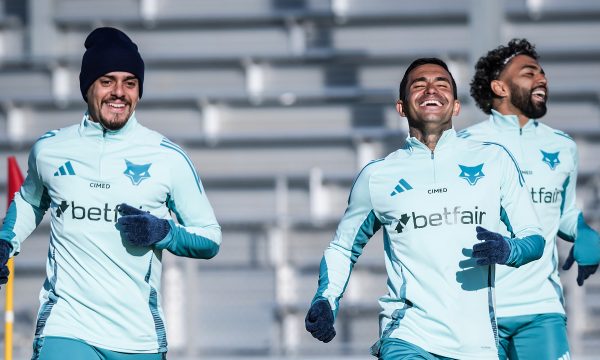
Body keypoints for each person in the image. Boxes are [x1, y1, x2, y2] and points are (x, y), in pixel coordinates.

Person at [0, 27, 222, 359]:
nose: (119, 92)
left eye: (129, 83)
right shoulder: (50, 149)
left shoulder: (168, 157)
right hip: (67, 328)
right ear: (87, 86)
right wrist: (5, 241)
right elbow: (31, 201)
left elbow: (211, 238)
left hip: (138, 339)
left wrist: (164, 232)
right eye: (107, 81)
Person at [304, 57, 545, 360]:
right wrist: (325, 299)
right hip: (407, 338)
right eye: (419, 85)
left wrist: (509, 250)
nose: (431, 90)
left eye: (441, 84)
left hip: (478, 346)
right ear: (401, 107)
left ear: (456, 106)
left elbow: (534, 239)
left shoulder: (495, 161)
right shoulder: (377, 176)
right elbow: (343, 248)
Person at [459, 38, 600, 360]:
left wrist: (582, 230)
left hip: (542, 307)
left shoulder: (563, 146)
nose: (542, 79)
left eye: (543, 73)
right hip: (477, 309)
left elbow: (562, 211)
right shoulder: (464, 146)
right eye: (529, 73)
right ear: (500, 87)